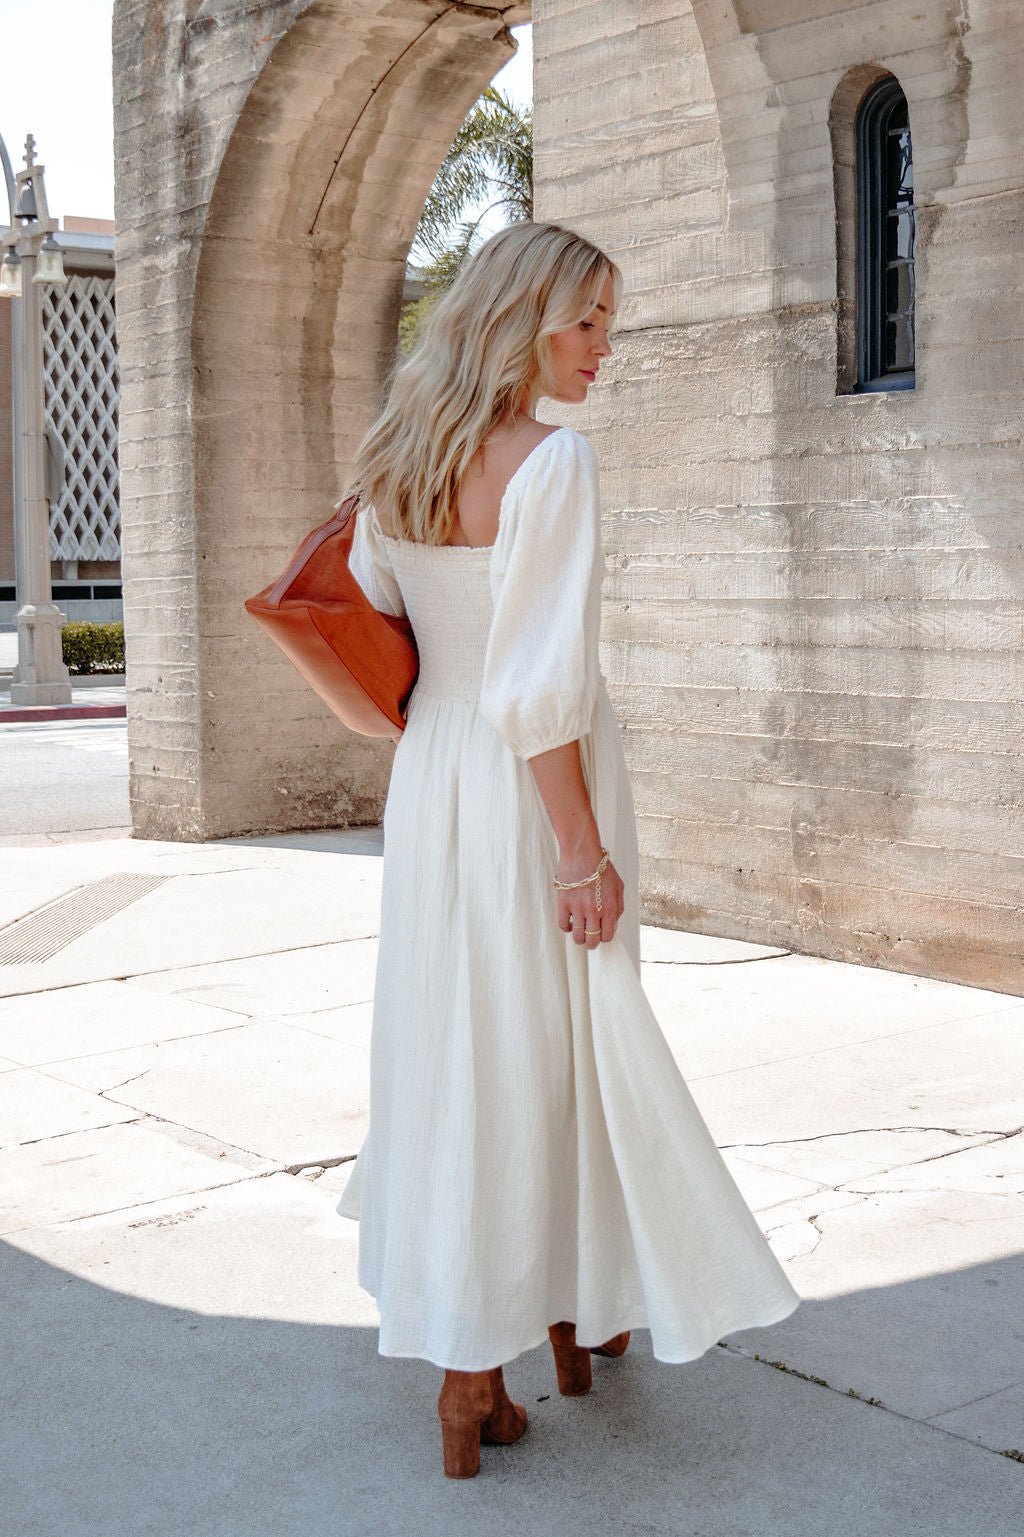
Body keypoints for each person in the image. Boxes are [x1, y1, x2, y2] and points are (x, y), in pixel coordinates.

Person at [336, 221, 799, 1478]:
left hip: (431, 782)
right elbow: (537, 690)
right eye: (586, 320)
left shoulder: (397, 456)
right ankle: (512, 1344)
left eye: (609, 322)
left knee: (457, 1046)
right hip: (530, 787)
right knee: (555, 1050)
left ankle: (487, 1356)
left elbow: (382, 614)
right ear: (523, 316)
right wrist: (581, 851)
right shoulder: (552, 467)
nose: (605, 347)